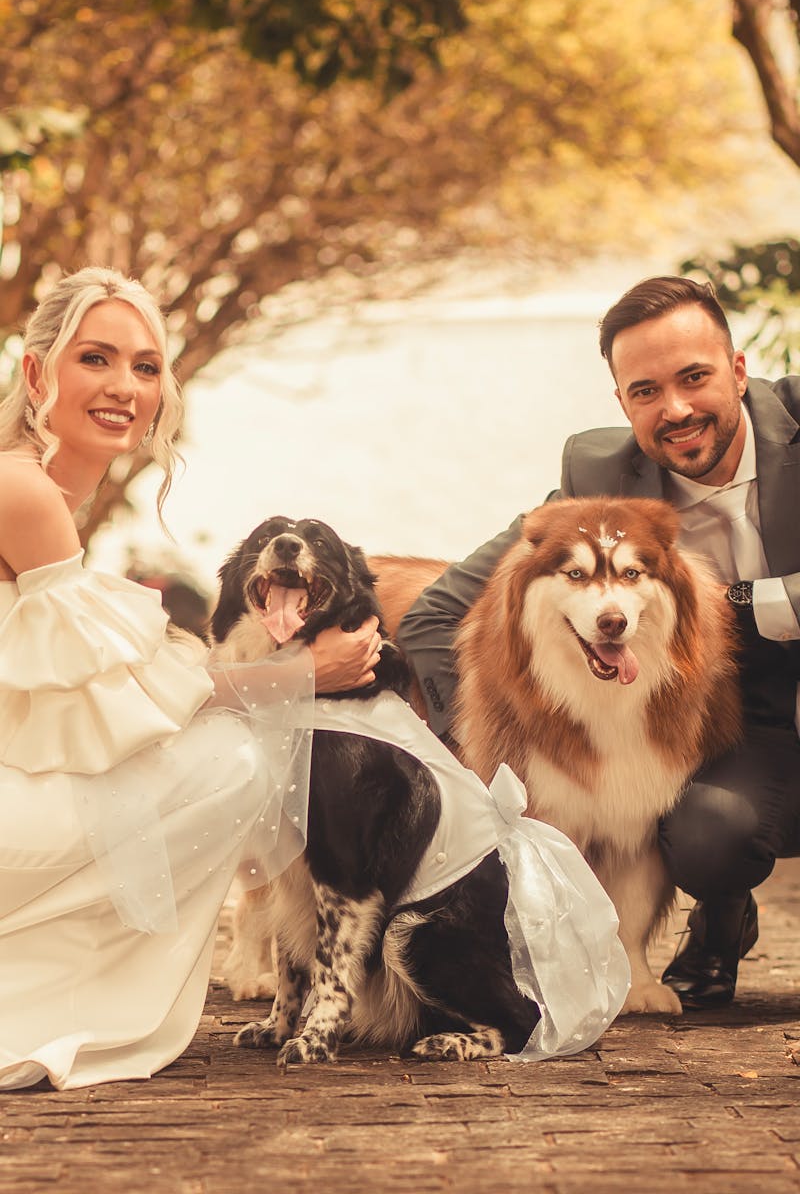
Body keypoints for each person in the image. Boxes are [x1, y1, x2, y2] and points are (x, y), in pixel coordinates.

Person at [0, 267, 383, 1091]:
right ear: (37, 374)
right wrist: (301, 672)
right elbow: (125, 704)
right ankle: (49, 1002)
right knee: (236, 757)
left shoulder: (38, 491)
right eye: (94, 358)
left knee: (207, 747)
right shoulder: (21, 491)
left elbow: (102, 694)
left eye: (145, 367)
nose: (124, 386)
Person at [398, 274, 800, 1011]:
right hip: (737, 735)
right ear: (622, 403)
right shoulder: (599, 477)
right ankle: (720, 915)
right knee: (707, 837)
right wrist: (503, 760)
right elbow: (435, 615)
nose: (674, 409)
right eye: (645, 390)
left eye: (695, 378)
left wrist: (759, 601)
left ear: (739, 372)